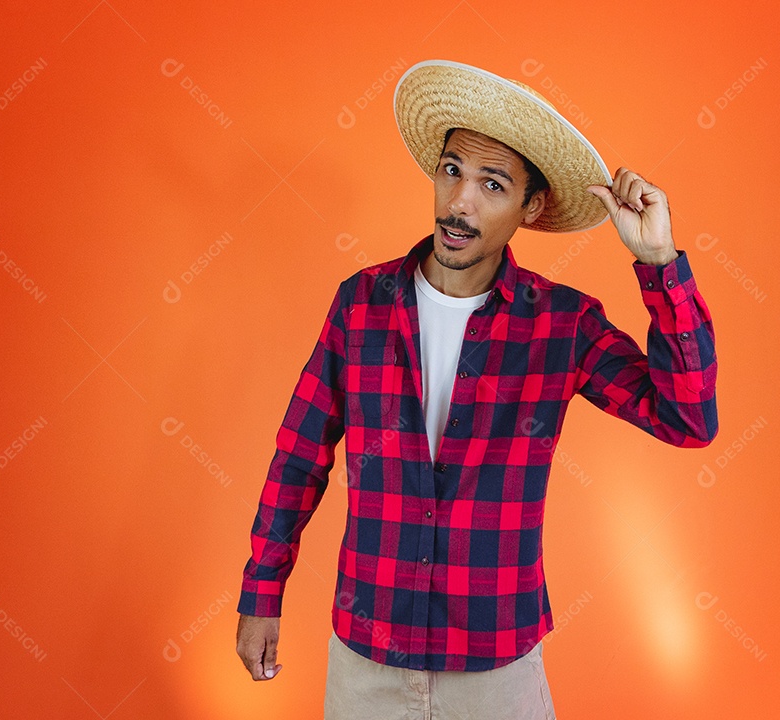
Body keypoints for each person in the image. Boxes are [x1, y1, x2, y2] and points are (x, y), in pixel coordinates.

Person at [234, 59, 718, 719]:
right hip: (366, 664)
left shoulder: (563, 323)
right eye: (453, 171)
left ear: (532, 207)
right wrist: (261, 594)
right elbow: (299, 456)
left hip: (496, 671)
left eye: (493, 184)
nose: (461, 202)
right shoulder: (360, 304)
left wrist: (659, 263)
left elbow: (688, 419)